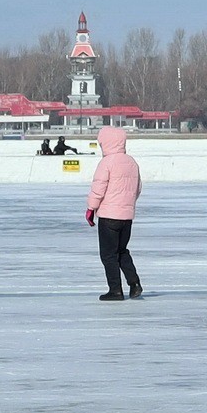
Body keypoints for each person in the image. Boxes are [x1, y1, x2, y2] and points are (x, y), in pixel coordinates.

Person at [86, 126, 142, 301]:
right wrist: (127, 204)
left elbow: (98, 188)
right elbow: (137, 188)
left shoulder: (107, 162)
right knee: (122, 251)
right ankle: (134, 284)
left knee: (109, 254)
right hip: (127, 216)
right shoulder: (131, 162)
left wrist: (91, 208)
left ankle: (115, 290)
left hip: (109, 216)